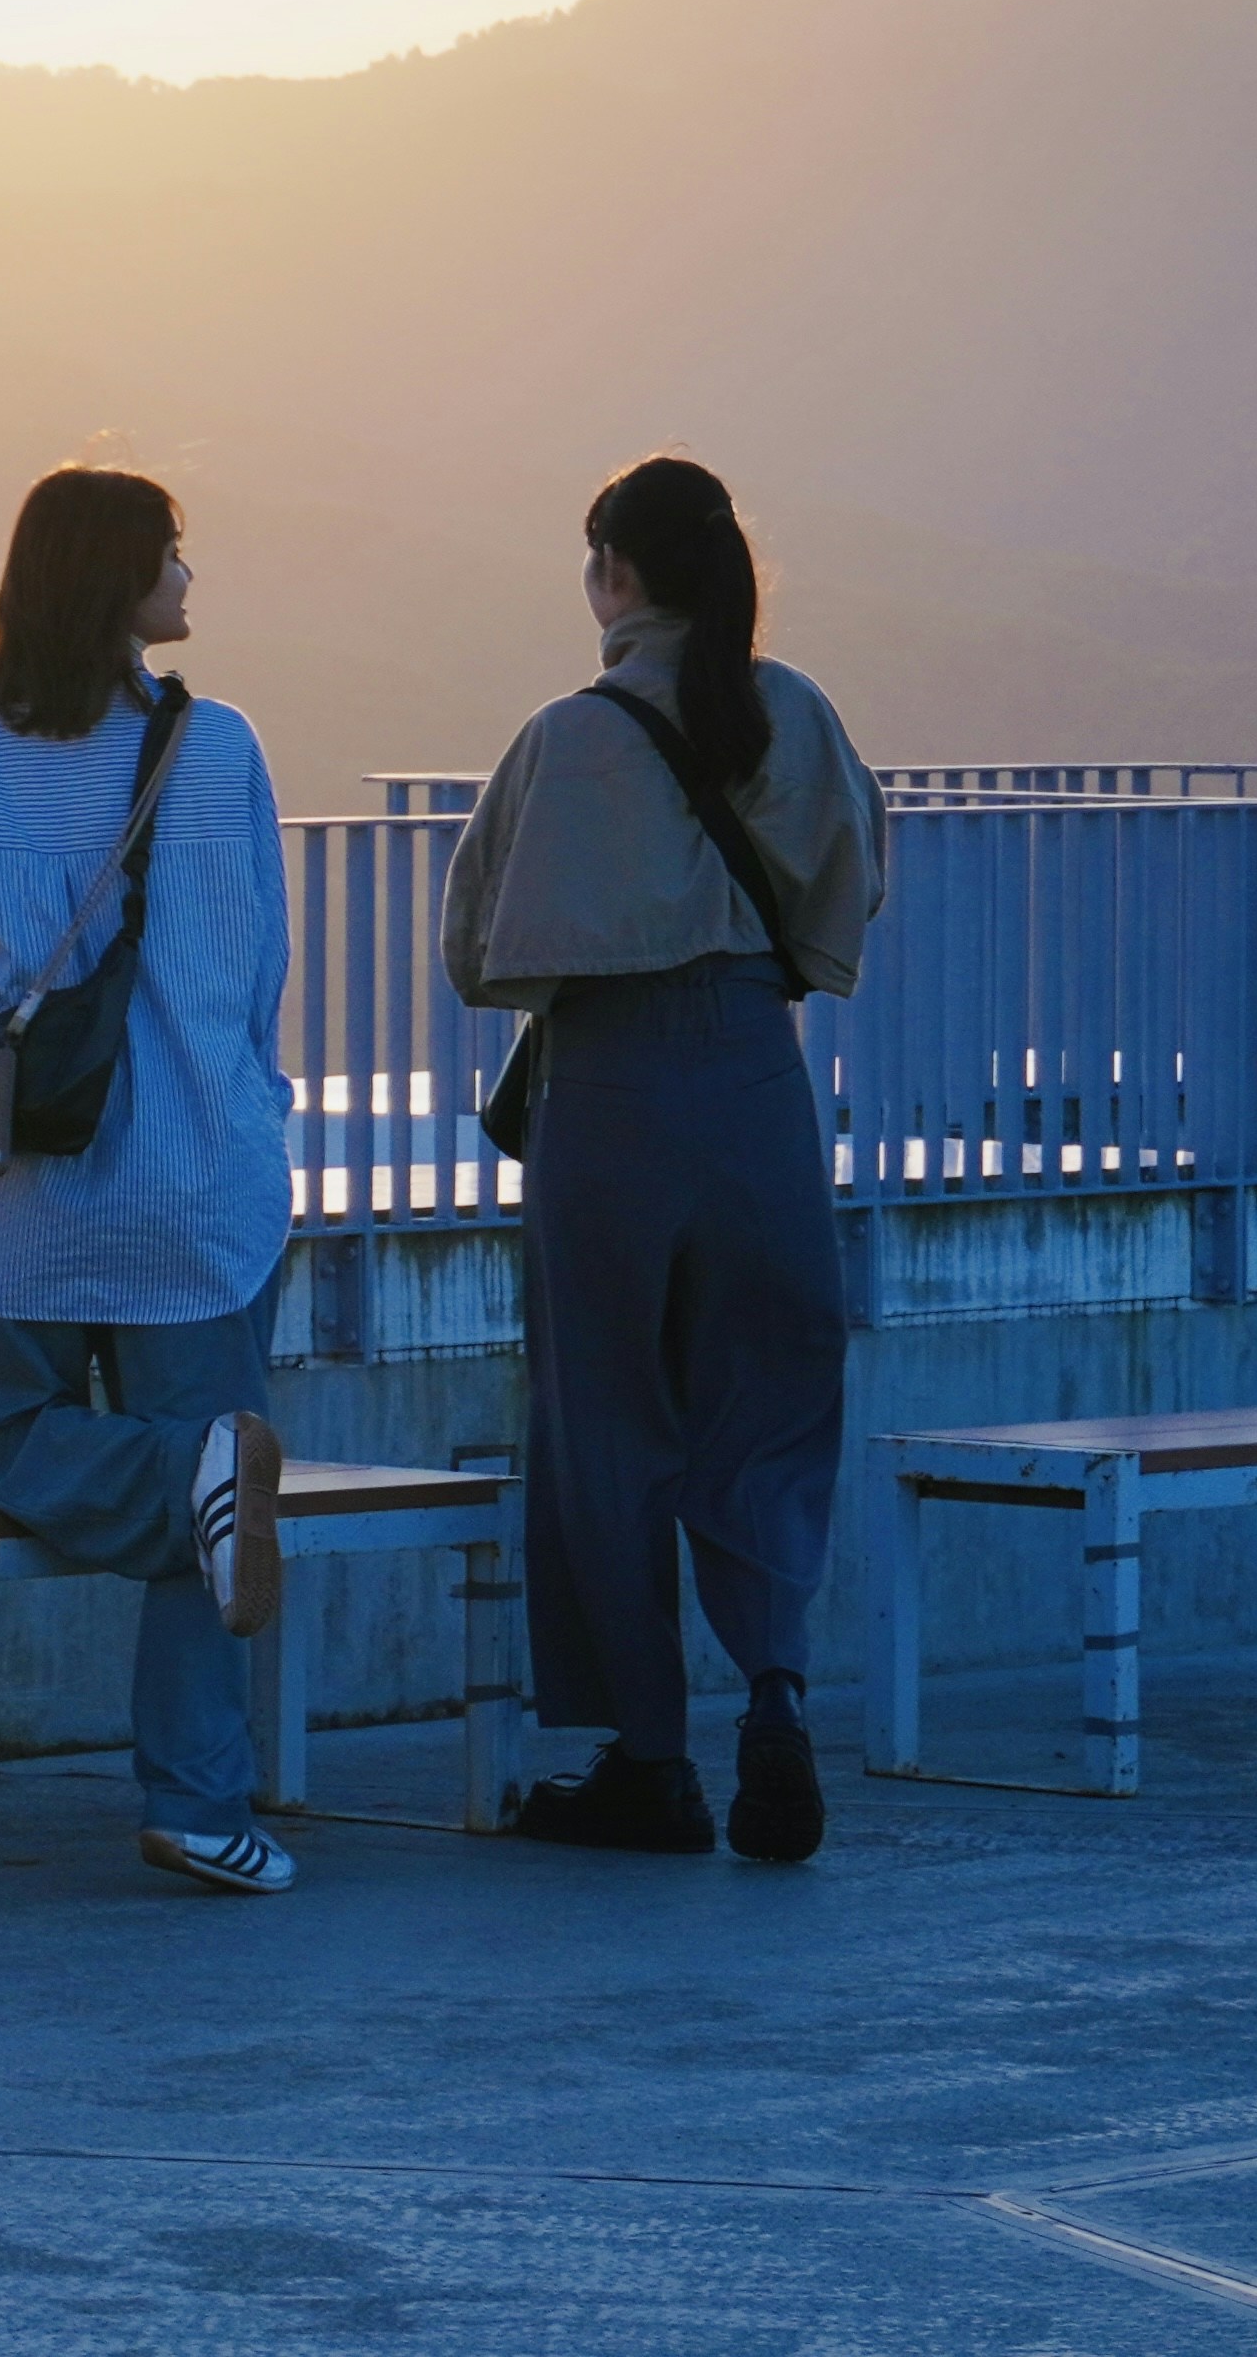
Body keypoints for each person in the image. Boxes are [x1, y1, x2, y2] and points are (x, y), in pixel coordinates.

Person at [441, 453, 889, 1864]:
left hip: (613, 1092)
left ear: (616, 576)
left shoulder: (566, 738)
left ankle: (648, 1760)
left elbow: (476, 950)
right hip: (760, 1079)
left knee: (606, 1425)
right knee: (767, 1407)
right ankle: (775, 1691)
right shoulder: (797, 709)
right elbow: (852, 884)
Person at [0, 463, 304, 1897]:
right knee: (215, 1468)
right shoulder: (219, 745)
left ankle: (186, 1485)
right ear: (116, 579)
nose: (190, 580)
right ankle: (195, 1803)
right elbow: (245, 976)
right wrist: (239, 1114)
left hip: (23, 1192)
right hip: (190, 1187)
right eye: (171, 555)